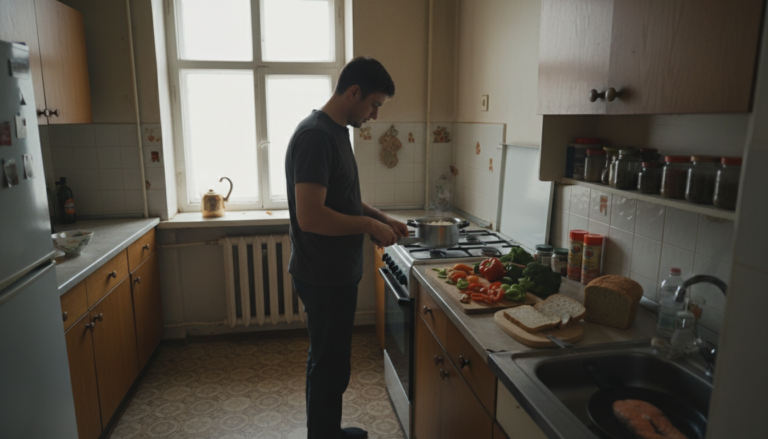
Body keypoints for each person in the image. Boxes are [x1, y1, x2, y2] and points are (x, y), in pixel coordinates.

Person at [285, 56, 408, 439]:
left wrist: (380, 218)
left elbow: (343, 201)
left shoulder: (336, 132)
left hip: (335, 271)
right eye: (373, 104)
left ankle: (327, 432)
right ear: (353, 92)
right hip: (323, 274)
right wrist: (370, 225)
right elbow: (311, 216)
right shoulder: (315, 136)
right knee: (328, 365)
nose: (373, 115)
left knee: (330, 362)